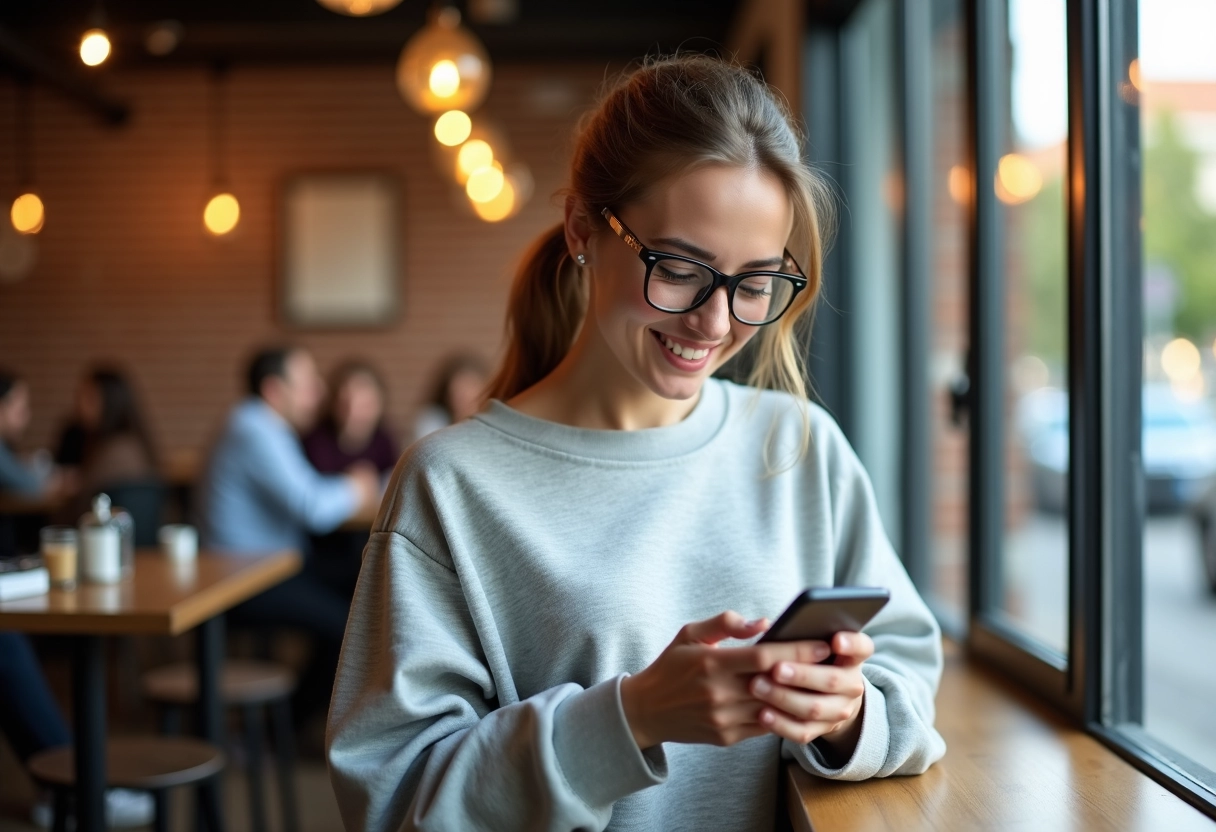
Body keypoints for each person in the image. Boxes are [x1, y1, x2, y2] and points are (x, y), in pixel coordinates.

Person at [327, 55, 945, 832]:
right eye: (681, 269)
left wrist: (846, 714)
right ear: (584, 229)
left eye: (755, 283)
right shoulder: (451, 486)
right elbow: (393, 799)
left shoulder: (798, 448)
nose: (716, 325)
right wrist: (632, 717)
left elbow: (908, 672)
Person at [199, 346, 380, 726]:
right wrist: (357, 485)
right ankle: (281, 729)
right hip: (241, 580)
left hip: (271, 565)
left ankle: (347, 719)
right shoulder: (254, 429)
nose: (317, 393)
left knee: (370, 582)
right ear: (273, 390)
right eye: (307, 384)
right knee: (349, 624)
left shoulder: (262, 425)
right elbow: (312, 507)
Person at [304, 361, 399, 599]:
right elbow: (316, 501)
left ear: (379, 404)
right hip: (327, 545)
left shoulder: (384, 439)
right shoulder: (317, 440)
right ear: (335, 404)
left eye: (364, 403)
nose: (355, 410)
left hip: (371, 537)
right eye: (347, 402)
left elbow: (392, 484)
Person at [304, 360, 399, 477]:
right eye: (345, 404)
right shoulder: (315, 443)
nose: (353, 413)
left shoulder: (385, 442)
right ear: (334, 404)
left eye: (364, 406)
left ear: (379, 406)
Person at [411, 353, 489, 441]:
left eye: (472, 387)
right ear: (447, 394)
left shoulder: (489, 422)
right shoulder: (432, 420)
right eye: (459, 392)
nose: (465, 397)